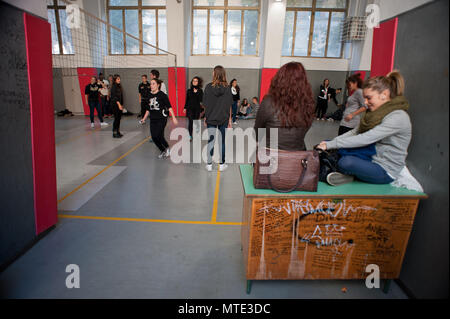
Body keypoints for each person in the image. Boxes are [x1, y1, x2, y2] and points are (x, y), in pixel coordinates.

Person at [317, 71, 411, 186]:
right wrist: (331, 143)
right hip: (369, 157)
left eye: (368, 98)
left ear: (384, 94)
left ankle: (349, 175)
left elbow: (366, 138)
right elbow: (355, 132)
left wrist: (332, 145)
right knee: (328, 145)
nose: (365, 103)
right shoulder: (376, 113)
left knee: (345, 162)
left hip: (384, 169)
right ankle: (346, 174)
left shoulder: (398, 117)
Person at [254, 62, 315, 151]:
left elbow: (257, 133)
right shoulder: (308, 104)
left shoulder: (268, 102)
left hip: (271, 158)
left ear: (278, 80)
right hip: (298, 158)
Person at [203, 65, 233, 172]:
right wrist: (230, 119)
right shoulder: (228, 88)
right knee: (222, 141)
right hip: (223, 118)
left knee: (211, 141)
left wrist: (205, 118)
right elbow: (229, 105)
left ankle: (209, 164)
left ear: (215, 74)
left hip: (211, 117)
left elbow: (205, 104)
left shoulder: (208, 87)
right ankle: (222, 164)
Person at [139, 79, 178, 158]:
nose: (151, 85)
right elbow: (148, 109)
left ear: (158, 85)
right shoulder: (149, 95)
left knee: (159, 135)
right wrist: (144, 118)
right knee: (154, 137)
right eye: (151, 84)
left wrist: (174, 117)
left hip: (161, 118)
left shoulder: (162, 95)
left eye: (153, 84)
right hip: (153, 119)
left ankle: (167, 147)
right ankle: (163, 150)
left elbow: (169, 107)